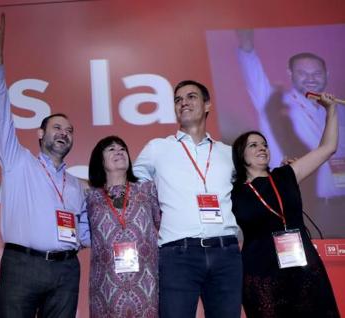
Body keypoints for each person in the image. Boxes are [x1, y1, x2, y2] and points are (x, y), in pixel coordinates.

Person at [0, 13, 88, 318]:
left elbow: (82, 228)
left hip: (67, 270)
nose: (63, 134)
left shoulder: (74, 184)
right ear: (41, 133)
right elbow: (0, 108)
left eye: (69, 131)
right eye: (57, 128)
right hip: (22, 267)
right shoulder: (17, 161)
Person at [133, 80, 242, 318]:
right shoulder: (157, 149)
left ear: (207, 105)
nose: (183, 102)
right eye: (178, 99)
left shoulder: (228, 152)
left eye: (191, 96)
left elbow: (254, 183)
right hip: (178, 254)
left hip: (225, 252)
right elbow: (131, 185)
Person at [230, 92, 340, 317]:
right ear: (241, 155)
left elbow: (328, 147)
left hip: (302, 266)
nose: (262, 148)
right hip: (262, 273)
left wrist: (330, 110)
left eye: (264, 144)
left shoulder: (286, 174)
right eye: (253, 145)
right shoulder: (234, 192)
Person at [236, 29, 345, 237]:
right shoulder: (276, 103)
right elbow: (253, 73)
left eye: (317, 73)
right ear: (290, 73)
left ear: (327, 74)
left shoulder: (339, 109)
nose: (311, 79)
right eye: (303, 73)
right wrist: (247, 48)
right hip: (314, 209)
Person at [83, 135, 160, 317]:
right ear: (99, 160)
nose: (118, 151)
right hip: (106, 287)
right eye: (111, 149)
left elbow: (164, 225)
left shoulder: (147, 190)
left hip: (147, 283)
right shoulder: (89, 196)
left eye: (122, 149)